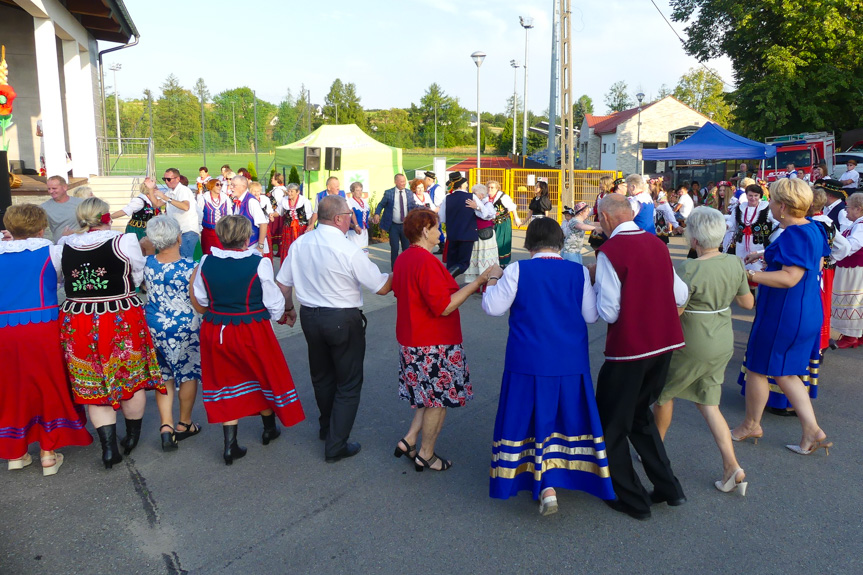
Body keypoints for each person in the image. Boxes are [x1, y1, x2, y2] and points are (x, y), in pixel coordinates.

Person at [483, 217, 615, 515]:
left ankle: (539, 482)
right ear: (558, 241)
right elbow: (592, 317)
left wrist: (493, 278)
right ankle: (555, 479)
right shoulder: (577, 271)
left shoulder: (518, 269)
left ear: (529, 243)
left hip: (527, 359)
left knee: (527, 420)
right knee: (565, 420)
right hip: (569, 359)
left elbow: (492, 307)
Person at [591, 193, 688, 520]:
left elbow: (609, 310)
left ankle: (631, 498)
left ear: (606, 219)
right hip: (663, 346)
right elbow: (680, 293)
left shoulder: (611, 251)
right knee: (639, 418)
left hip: (629, 350)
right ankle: (669, 487)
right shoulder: (658, 244)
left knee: (611, 423)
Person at [276, 195, 392, 463]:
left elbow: (284, 283)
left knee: (322, 375)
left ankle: (327, 427)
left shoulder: (300, 242)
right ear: (339, 218)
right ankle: (336, 444)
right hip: (341, 317)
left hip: (310, 317)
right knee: (348, 381)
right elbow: (381, 287)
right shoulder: (348, 248)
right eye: (349, 215)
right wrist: (401, 273)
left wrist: (289, 308)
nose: (351, 218)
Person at [652, 207, 755, 496]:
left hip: (692, 339)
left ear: (694, 239)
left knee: (664, 394)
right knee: (709, 404)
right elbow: (747, 304)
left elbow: (677, 310)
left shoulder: (687, 268)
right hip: (722, 338)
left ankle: (656, 449)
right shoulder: (734, 263)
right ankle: (732, 466)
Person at [58, 197, 163, 469]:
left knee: (93, 381)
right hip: (119, 315)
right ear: (106, 217)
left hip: (78, 319)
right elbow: (137, 275)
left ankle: (108, 450)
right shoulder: (124, 241)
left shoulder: (63, 245)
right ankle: (130, 438)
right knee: (129, 376)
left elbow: (61, 279)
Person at [191, 215, 305, 465]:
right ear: (246, 237)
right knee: (262, 375)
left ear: (220, 236)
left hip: (216, 329)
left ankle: (230, 445)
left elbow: (201, 298)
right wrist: (279, 316)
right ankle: (268, 428)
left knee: (226, 381)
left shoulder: (207, 261)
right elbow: (273, 303)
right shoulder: (259, 262)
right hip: (251, 329)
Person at [731, 178, 832, 456]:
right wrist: (765, 253)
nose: (771, 205)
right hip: (806, 308)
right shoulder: (813, 228)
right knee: (787, 373)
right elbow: (814, 262)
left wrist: (748, 275)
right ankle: (812, 430)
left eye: (774, 201)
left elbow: (789, 277)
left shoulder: (793, 234)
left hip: (784, 312)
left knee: (757, 368)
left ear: (784, 206)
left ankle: (751, 424)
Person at [392, 209, 490, 472]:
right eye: (437, 228)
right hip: (433, 343)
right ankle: (427, 454)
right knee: (438, 401)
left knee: (427, 396)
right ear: (425, 230)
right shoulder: (425, 261)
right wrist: (479, 281)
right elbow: (444, 306)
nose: (440, 232)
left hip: (413, 339)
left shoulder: (404, 258)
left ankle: (410, 440)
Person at [0, 204, 92, 475]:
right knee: (47, 384)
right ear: (41, 227)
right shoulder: (52, 251)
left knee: (12, 386)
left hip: (5, 327)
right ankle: (48, 453)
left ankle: (15, 453)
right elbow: (64, 281)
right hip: (43, 326)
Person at [143, 216, 202, 451]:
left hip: (155, 324)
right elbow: (197, 302)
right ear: (179, 238)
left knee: (163, 374)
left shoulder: (147, 263)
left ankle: (165, 425)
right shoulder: (191, 266)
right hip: (185, 325)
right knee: (187, 373)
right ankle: (184, 423)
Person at [831, 192, 863, 349]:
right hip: (852, 269)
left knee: (853, 300)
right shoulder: (857, 224)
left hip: (855, 270)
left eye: (848, 208)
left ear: (858, 209)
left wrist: (834, 252)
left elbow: (852, 245)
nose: (846, 211)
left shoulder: (861, 226)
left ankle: (851, 336)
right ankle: (857, 334)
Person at [728, 183, 780, 278]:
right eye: (750, 195)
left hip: (759, 245)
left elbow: (777, 223)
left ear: (760, 196)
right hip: (741, 245)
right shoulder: (739, 208)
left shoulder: (766, 209)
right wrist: (726, 226)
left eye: (756, 195)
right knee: (742, 268)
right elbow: (732, 223)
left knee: (758, 268)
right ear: (746, 195)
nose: (753, 198)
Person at [438, 176, 483, 278]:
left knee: (451, 262)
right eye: (466, 182)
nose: (467, 184)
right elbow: (484, 213)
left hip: (453, 234)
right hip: (467, 234)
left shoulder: (447, 198)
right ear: (463, 184)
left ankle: (448, 284)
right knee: (463, 263)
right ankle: (448, 277)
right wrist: (477, 207)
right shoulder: (471, 197)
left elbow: (442, 217)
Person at [150, 169, 199, 260]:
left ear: (177, 179)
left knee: (186, 259)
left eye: (169, 179)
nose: (166, 182)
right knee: (178, 259)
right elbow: (156, 204)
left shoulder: (183, 190)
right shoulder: (170, 192)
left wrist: (165, 197)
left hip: (187, 231)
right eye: (164, 179)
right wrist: (150, 190)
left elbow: (185, 206)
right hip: (177, 232)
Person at [372, 174, 418, 269]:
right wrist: (377, 214)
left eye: (404, 181)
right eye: (401, 181)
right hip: (393, 226)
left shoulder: (409, 193)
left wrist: (423, 210)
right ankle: (395, 270)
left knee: (406, 248)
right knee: (395, 248)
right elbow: (381, 205)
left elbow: (413, 206)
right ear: (395, 182)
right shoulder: (389, 193)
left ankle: (406, 268)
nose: (403, 183)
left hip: (405, 226)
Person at [463, 183, 498, 283]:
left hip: (485, 236)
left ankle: (487, 281)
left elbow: (489, 215)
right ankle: (475, 282)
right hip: (476, 235)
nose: (472, 195)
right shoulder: (476, 203)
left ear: (482, 195)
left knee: (485, 259)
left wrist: (477, 207)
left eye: (475, 193)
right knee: (476, 258)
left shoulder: (488, 204)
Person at [110, 177, 163, 241]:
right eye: (155, 188)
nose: (158, 189)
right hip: (138, 231)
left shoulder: (155, 200)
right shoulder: (139, 201)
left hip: (151, 230)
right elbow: (124, 211)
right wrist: (109, 217)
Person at [230, 175, 269, 256]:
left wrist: (260, 246)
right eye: (231, 185)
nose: (231, 187)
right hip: (241, 246)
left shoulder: (251, 201)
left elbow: (263, 223)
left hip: (252, 246)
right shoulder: (237, 201)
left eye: (234, 185)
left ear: (243, 187)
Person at [487, 180, 521, 267]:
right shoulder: (486, 197)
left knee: (501, 242)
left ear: (497, 188)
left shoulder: (503, 197)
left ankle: (502, 263)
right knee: (491, 243)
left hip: (503, 223)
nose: (490, 189)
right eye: (488, 187)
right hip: (491, 223)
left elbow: (512, 207)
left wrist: (516, 219)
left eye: (492, 187)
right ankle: (492, 261)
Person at [41, 175, 82, 242]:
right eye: (49, 189)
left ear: (65, 187)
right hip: (60, 247)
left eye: (54, 188)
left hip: (81, 244)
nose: (51, 191)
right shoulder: (44, 207)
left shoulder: (80, 203)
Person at [278, 183, 312, 261]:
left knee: (301, 249)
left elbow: (309, 216)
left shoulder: (304, 201)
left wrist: (310, 228)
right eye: (288, 191)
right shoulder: (284, 200)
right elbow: (279, 212)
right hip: (288, 229)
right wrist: (272, 214)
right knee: (288, 249)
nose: (289, 193)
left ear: (297, 192)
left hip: (301, 229)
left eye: (291, 191)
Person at [197, 178, 231, 255]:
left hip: (223, 232)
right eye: (217, 185)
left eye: (221, 185)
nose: (219, 187)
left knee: (223, 252)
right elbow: (199, 214)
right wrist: (199, 227)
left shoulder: (225, 198)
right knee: (208, 253)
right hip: (208, 232)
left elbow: (229, 213)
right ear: (211, 186)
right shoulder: (204, 198)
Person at [424, 170, 446, 253]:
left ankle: (442, 246)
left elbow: (440, 203)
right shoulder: (427, 188)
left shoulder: (437, 189)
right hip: (429, 212)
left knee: (437, 229)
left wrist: (435, 211)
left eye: (425, 179)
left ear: (429, 179)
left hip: (435, 212)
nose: (424, 180)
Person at [346, 182, 370, 251]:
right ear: (352, 192)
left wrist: (373, 219)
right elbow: (346, 219)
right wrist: (354, 226)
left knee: (364, 252)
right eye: (357, 190)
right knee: (356, 251)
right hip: (354, 232)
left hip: (364, 232)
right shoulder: (350, 202)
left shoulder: (364, 202)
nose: (360, 192)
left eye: (361, 190)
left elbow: (367, 217)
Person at [267, 173, 286, 255]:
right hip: (277, 213)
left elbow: (279, 203)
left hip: (276, 214)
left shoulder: (278, 191)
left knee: (275, 231)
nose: (271, 179)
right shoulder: (280, 189)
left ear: (277, 180)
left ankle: (277, 251)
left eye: (273, 178)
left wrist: (274, 213)